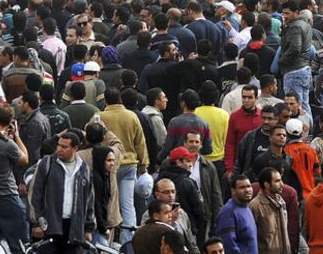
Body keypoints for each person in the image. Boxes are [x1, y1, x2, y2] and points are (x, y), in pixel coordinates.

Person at [95, 87, 149, 245]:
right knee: (127, 204)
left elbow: (90, 135)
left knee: (108, 203)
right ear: (120, 100)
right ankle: (128, 242)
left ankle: (107, 242)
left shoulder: (99, 116)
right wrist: (144, 163)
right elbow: (140, 142)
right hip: (130, 164)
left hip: (108, 165)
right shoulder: (131, 116)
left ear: (105, 100)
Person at [31, 132, 95, 253]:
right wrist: (36, 223)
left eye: (64, 147)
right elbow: (36, 194)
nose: (59, 149)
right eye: (58, 145)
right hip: (50, 225)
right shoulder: (47, 163)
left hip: (74, 227)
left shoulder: (84, 169)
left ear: (75, 148)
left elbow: (89, 200)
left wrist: (88, 228)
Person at [0, 104, 29, 254]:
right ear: (10, 122)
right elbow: (25, 159)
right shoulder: (7, 145)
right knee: (19, 244)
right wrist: (17, 136)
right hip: (7, 196)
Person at [157, 146, 205, 242]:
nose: (190, 165)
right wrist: (196, 228)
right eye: (187, 161)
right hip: (187, 231)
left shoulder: (159, 181)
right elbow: (198, 209)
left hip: (162, 231)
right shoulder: (188, 183)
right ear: (178, 162)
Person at [280, 0, 313, 115]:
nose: (285, 16)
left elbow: (295, 48)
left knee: (295, 108)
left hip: (294, 70)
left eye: (287, 13)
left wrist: (282, 61)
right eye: (283, 13)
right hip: (304, 69)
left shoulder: (295, 27)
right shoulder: (305, 24)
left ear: (296, 12)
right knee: (304, 104)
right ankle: (308, 128)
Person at [249, 167, 290, 254]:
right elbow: (250, 237)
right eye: (277, 181)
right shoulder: (255, 206)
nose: (282, 184)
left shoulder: (281, 202)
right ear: (267, 184)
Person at [224, 84, 262, 179]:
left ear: (256, 98)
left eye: (250, 97)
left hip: (259, 165)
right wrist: (229, 169)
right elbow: (230, 144)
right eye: (244, 97)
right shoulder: (234, 117)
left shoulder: (262, 116)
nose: (246, 100)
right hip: (240, 165)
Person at [215, 174, 258, 254]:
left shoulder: (246, 207)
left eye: (249, 186)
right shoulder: (228, 212)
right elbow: (228, 244)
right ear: (233, 191)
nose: (247, 190)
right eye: (242, 187)